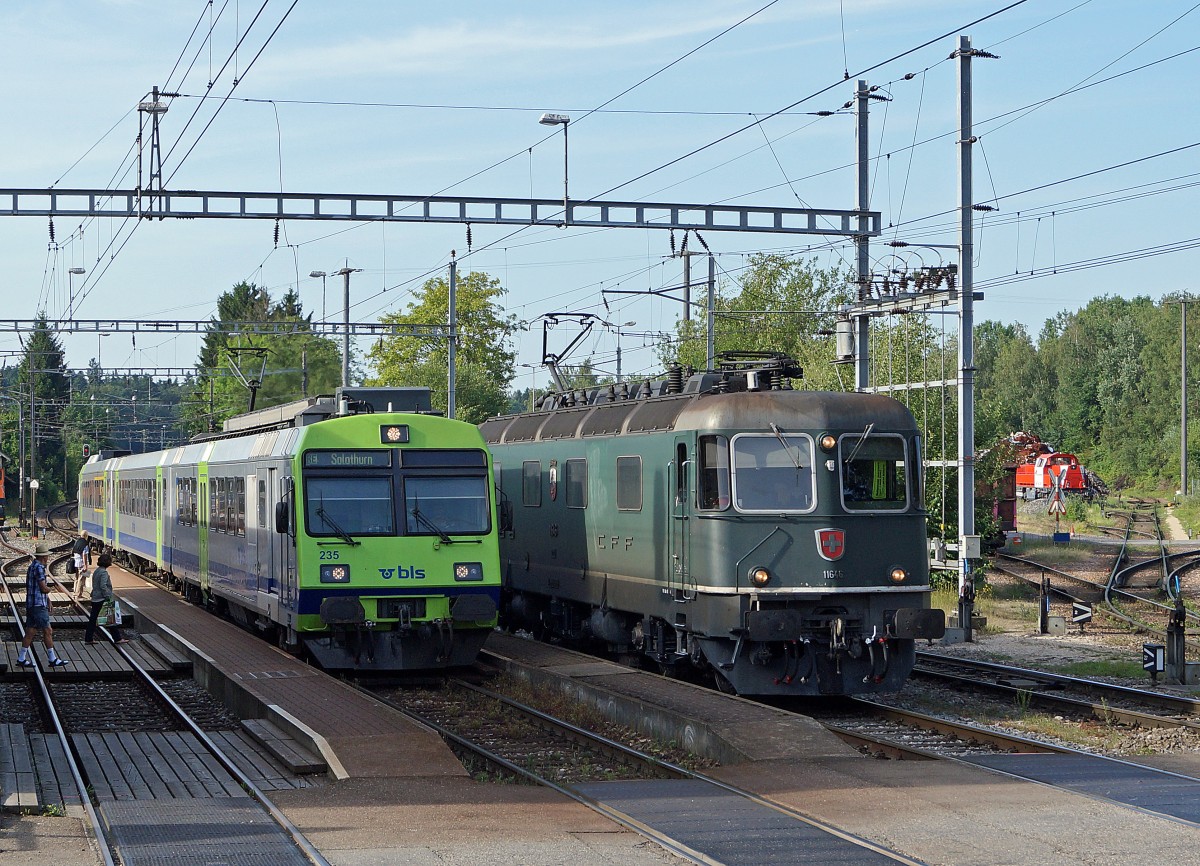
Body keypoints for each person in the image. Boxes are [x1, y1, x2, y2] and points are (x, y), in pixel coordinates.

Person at [17, 544, 69, 667]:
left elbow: (37, 588)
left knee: (30, 631)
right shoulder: (39, 568)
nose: (47, 558)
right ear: (44, 557)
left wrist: (48, 600)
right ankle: (52, 659)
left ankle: (21, 658)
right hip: (38, 606)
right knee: (48, 630)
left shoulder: (32, 566)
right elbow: (43, 588)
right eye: (47, 556)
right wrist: (50, 590)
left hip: (32, 604)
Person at [84, 553, 127, 645]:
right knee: (110, 618)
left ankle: (88, 638)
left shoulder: (97, 571)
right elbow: (103, 586)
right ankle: (117, 638)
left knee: (93, 619)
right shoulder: (104, 572)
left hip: (95, 597)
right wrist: (107, 595)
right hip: (102, 598)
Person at [71, 531, 91, 601]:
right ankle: (78, 594)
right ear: (86, 536)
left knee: (76, 578)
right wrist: (85, 565)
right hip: (81, 563)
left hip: (76, 562)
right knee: (81, 579)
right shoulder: (85, 543)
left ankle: (76, 592)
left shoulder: (77, 541)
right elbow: (84, 554)